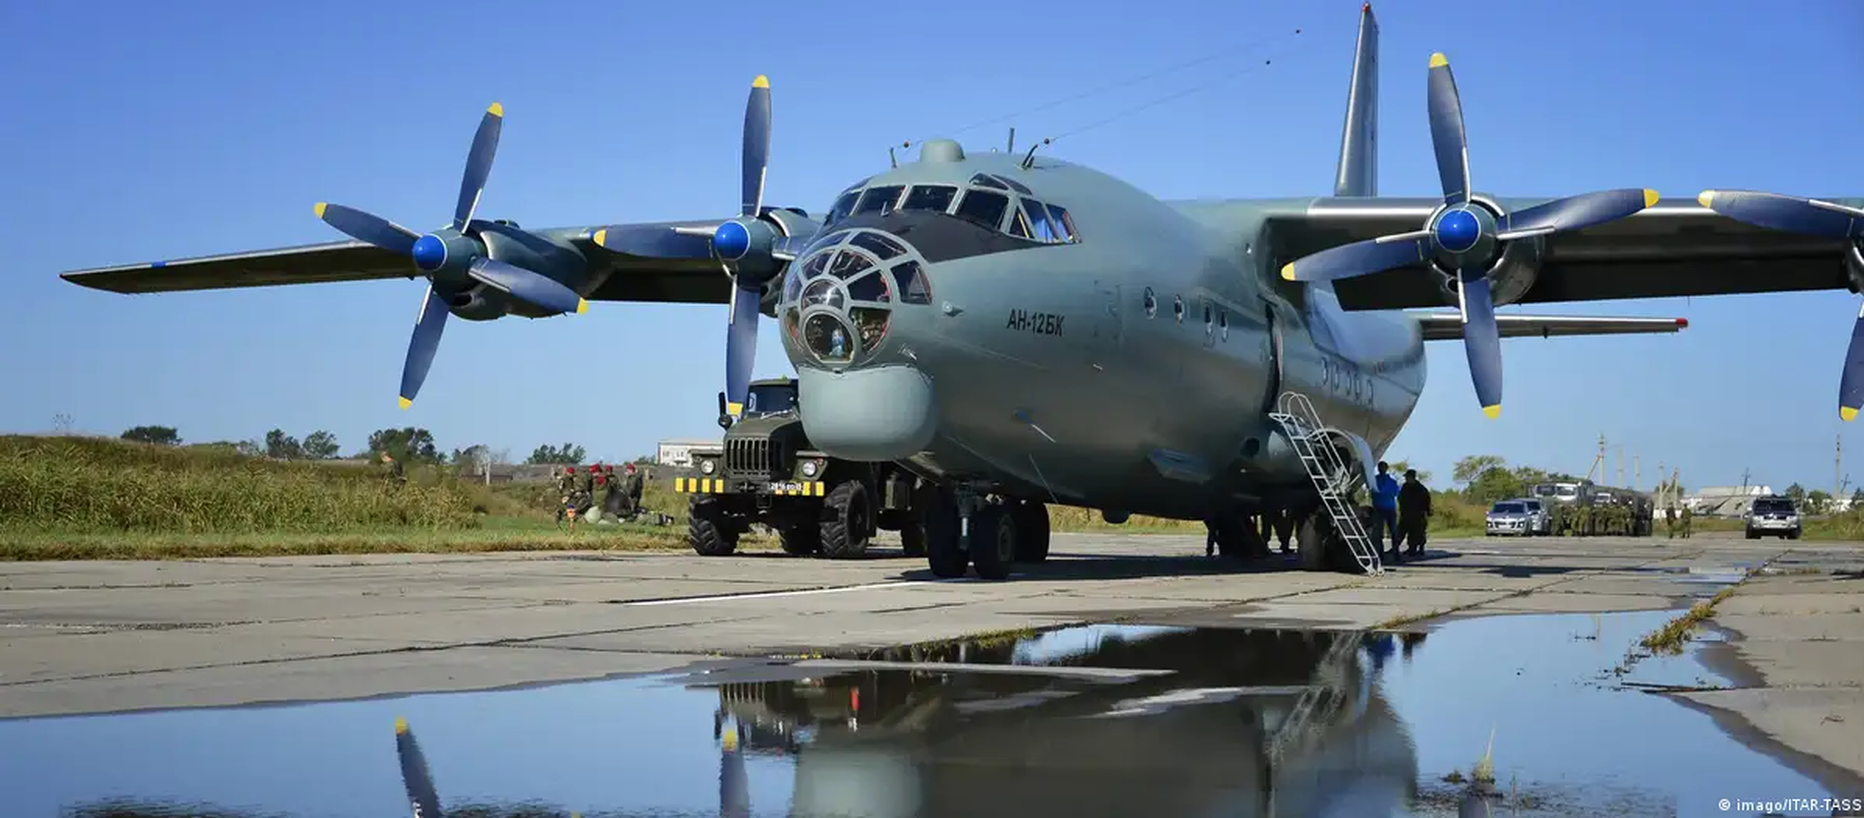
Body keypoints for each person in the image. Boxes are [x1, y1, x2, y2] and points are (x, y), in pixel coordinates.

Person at [1397, 469, 1431, 556]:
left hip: (1418, 515)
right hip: (1406, 514)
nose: (1406, 479)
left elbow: (1427, 501)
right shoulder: (1405, 487)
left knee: (1418, 532)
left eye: (1407, 477)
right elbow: (1400, 499)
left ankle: (1416, 549)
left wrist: (1428, 511)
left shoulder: (1421, 489)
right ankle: (1395, 548)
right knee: (1400, 532)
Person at [1371, 461, 1400, 560]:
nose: (1381, 469)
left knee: (1392, 532)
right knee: (1379, 533)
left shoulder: (1390, 481)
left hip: (1388, 508)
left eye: (1382, 467)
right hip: (1381, 508)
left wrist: (1380, 493)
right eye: (1380, 467)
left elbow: (1395, 492)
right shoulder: (1377, 480)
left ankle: (1395, 553)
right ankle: (1381, 554)